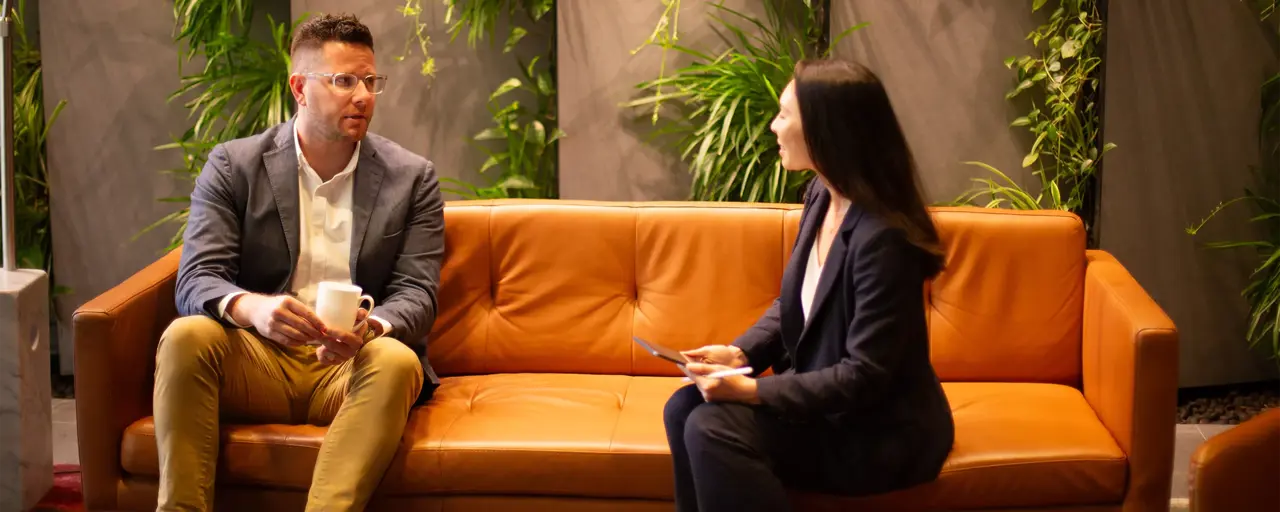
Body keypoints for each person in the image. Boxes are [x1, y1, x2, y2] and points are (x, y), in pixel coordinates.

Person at [153, 13, 445, 511]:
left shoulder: (411, 178)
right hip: (257, 358)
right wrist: (254, 309)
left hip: (350, 366)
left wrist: (369, 328)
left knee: (397, 359)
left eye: (371, 81)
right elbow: (197, 277)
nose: (363, 95)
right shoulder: (234, 165)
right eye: (344, 80)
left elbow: (418, 292)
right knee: (185, 335)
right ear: (299, 87)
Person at [663, 58, 955, 511]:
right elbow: (795, 304)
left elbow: (864, 376)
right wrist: (740, 356)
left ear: (824, 130)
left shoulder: (884, 238)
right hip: (829, 411)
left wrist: (753, 390)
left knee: (711, 427)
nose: (774, 126)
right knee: (683, 408)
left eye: (784, 115)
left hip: (876, 432)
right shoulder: (822, 194)